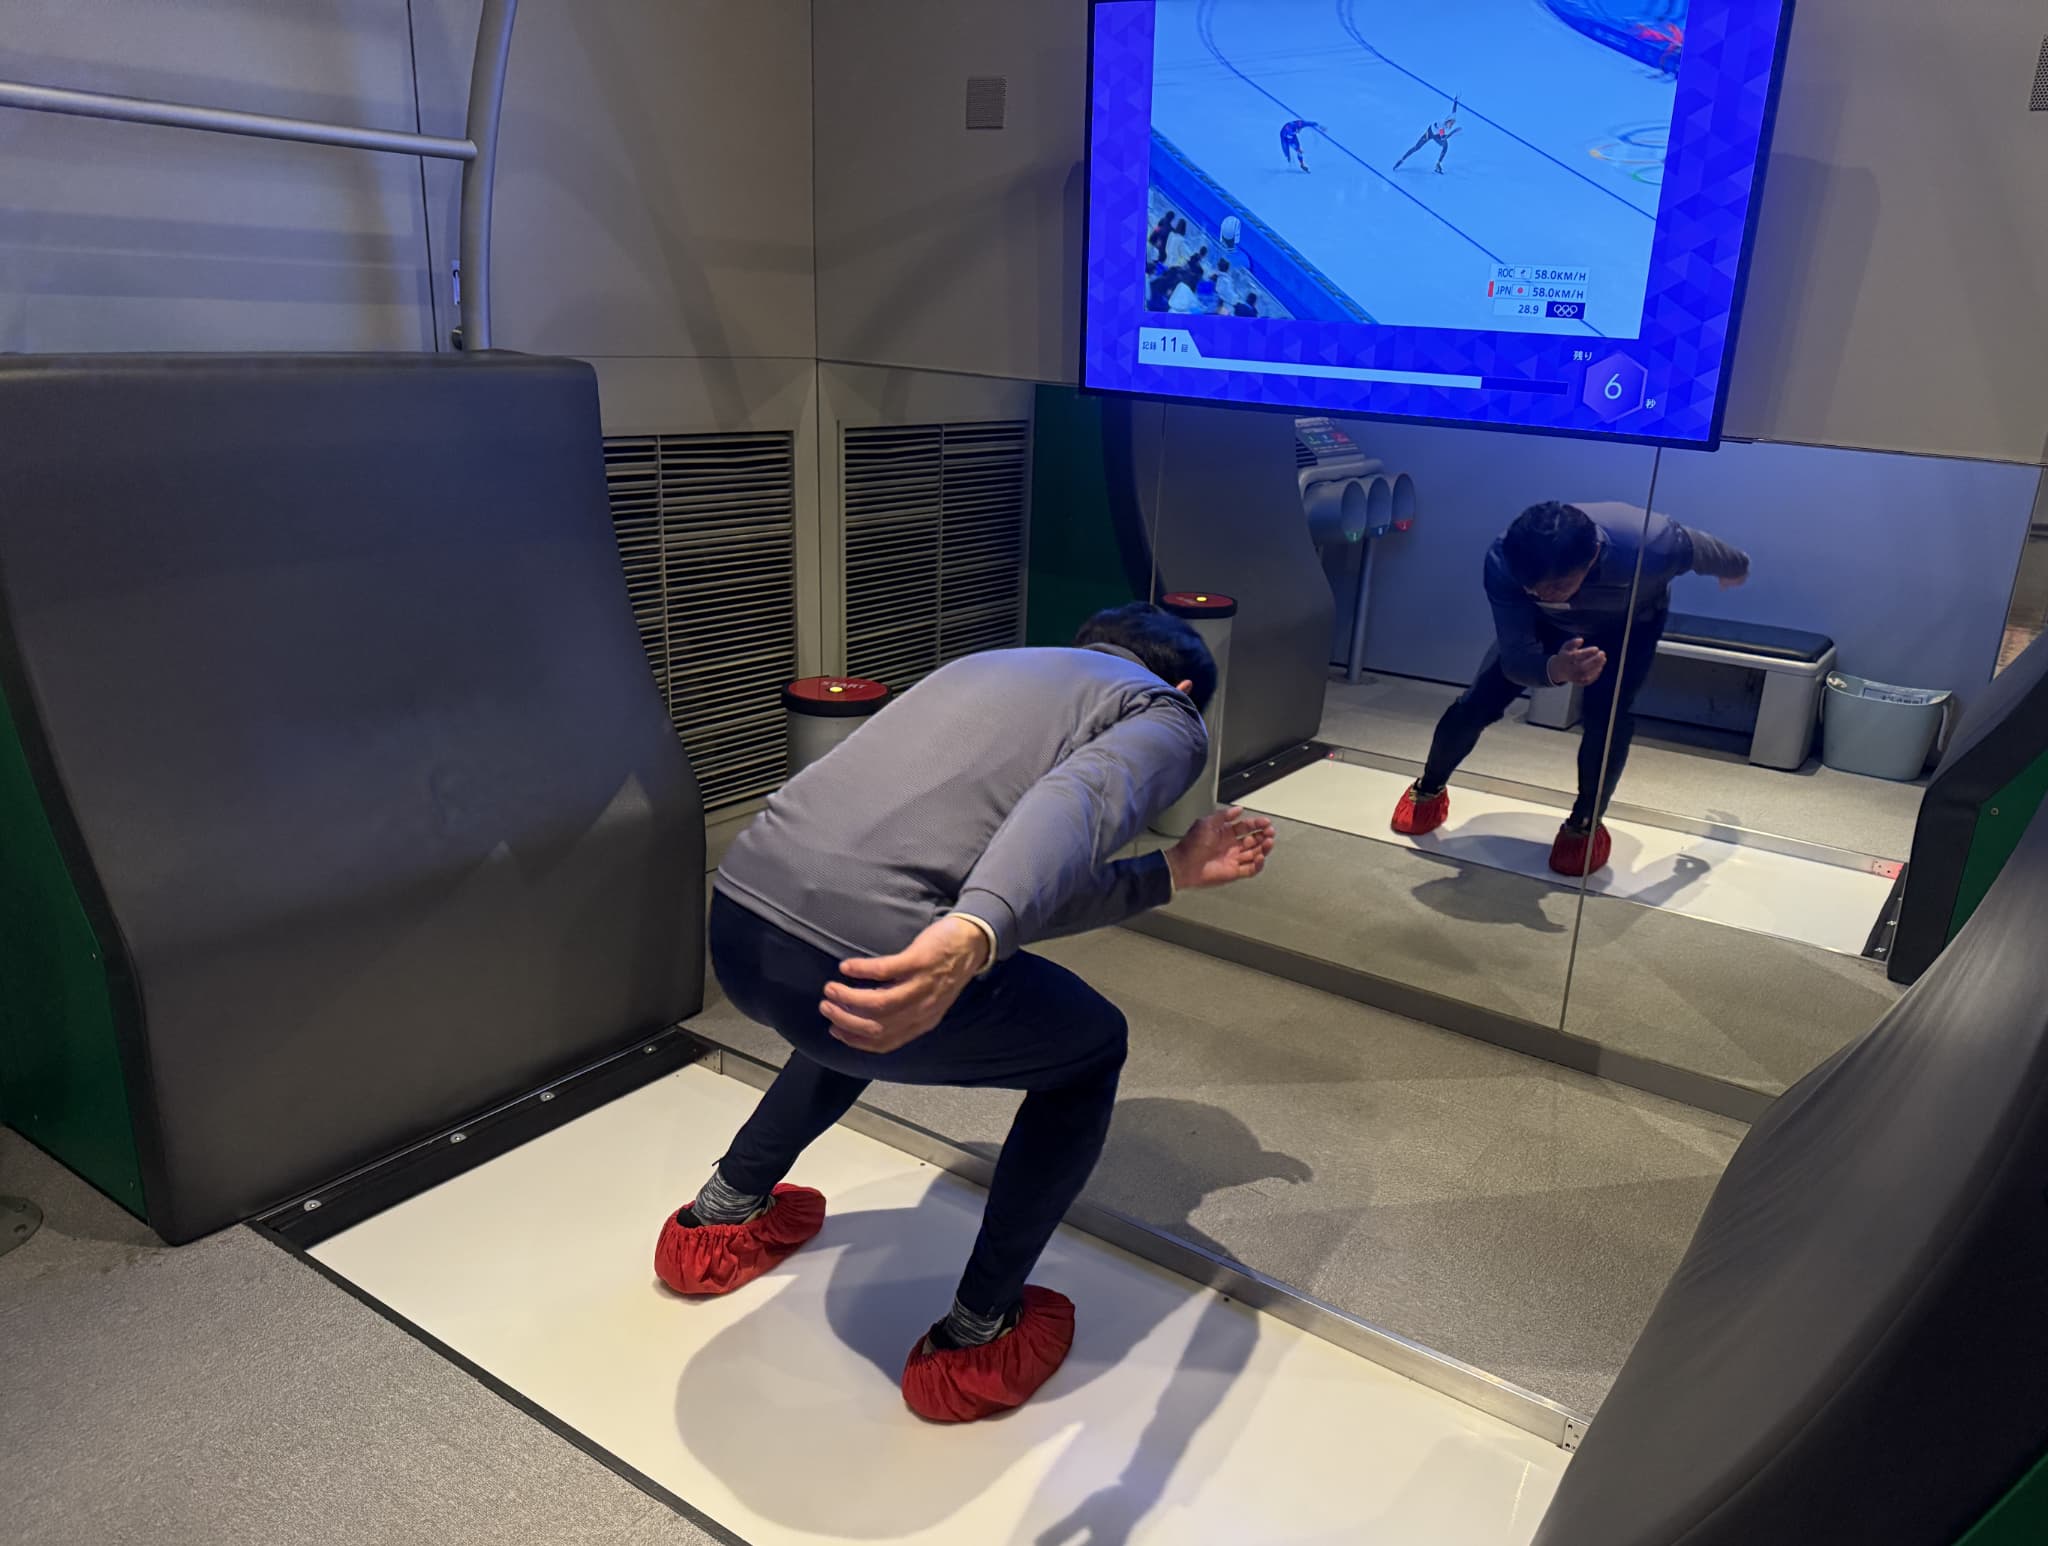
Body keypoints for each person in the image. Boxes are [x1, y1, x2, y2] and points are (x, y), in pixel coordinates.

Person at [656, 605, 1278, 1423]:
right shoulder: (1166, 711)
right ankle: (979, 1333)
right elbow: (1076, 803)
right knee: (1091, 1049)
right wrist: (970, 936)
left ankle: (718, 1217)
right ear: (1187, 688)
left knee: (870, 994)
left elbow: (1021, 881)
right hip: (872, 947)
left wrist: (1166, 874)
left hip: (738, 921)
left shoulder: (991, 667)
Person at [1392, 501, 1749, 875]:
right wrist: (1555, 669)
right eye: (1533, 587)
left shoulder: (1651, 543)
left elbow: (1706, 550)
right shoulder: (1504, 559)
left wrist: (1736, 566)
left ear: (1592, 556)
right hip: (1546, 627)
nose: (1544, 593)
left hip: (1629, 626)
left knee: (1607, 718)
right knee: (1477, 702)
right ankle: (1428, 787)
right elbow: (1516, 659)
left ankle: (1585, 823)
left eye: (1557, 585)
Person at [1394, 98, 1461, 174]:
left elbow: (1454, 112)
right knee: (1417, 147)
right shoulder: (1441, 126)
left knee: (1445, 146)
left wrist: (1455, 101)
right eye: (1451, 123)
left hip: (1437, 135)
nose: (1452, 125)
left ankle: (1438, 164)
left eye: (1453, 124)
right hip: (1429, 133)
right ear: (1447, 121)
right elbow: (1443, 138)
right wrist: (1453, 132)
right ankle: (1402, 159)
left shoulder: (1449, 121)